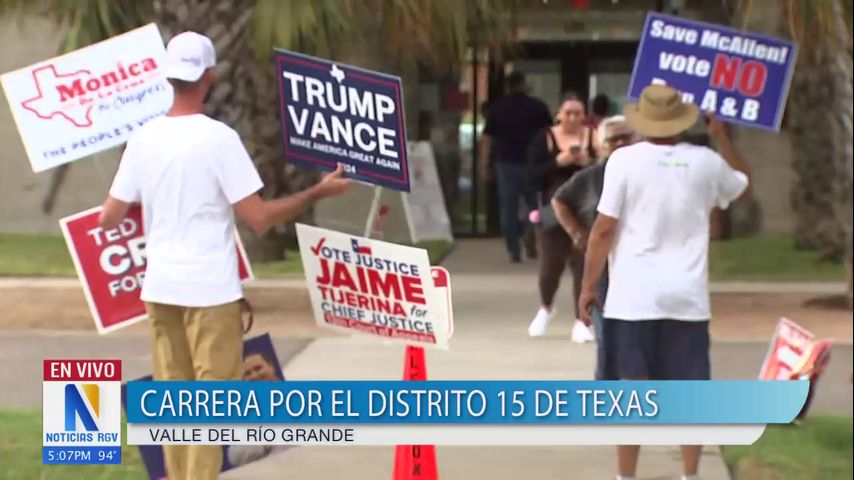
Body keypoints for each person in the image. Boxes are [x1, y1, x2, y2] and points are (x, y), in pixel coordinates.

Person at [98, 32, 350, 480]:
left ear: (168, 77)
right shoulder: (220, 139)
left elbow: (109, 217)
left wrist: (159, 194)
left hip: (160, 289)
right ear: (210, 77)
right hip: (210, 290)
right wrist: (319, 190)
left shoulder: (142, 139)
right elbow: (259, 217)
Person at [578, 84, 751, 480]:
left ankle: (627, 476)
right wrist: (722, 136)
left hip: (632, 298)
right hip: (687, 298)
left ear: (643, 121)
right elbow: (742, 186)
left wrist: (589, 285)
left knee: (632, 392)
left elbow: (604, 229)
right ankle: (689, 474)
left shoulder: (623, 161)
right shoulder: (706, 162)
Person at [550, 115, 636, 379]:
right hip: (604, 273)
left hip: (641, 270)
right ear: (601, 145)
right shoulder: (590, 177)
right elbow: (559, 200)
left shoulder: (648, 171)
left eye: (626, 137)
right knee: (608, 342)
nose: (621, 143)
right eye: (614, 139)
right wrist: (576, 231)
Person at [526, 92, 599, 337]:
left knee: (583, 265)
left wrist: (586, 161)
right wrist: (559, 161)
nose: (572, 118)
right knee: (550, 264)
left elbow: (605, 169)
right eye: (568, 112)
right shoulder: (544, 138)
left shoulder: (593, 137)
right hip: (552, 210)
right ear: (559, 114)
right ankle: (546, 307)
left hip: (585, 211)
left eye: (578, 113)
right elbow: (533, 173)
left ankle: (581, 320)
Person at [479, 71, 552, 263]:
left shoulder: (497, 108)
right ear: (521, 83)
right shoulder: (538, 107)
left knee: (508, 208)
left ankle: (513, 250)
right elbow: (550, 136)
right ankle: (529, 231)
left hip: (505, 163)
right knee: (534, 205)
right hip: (531, 163)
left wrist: (484, 165)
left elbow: (487, 139)